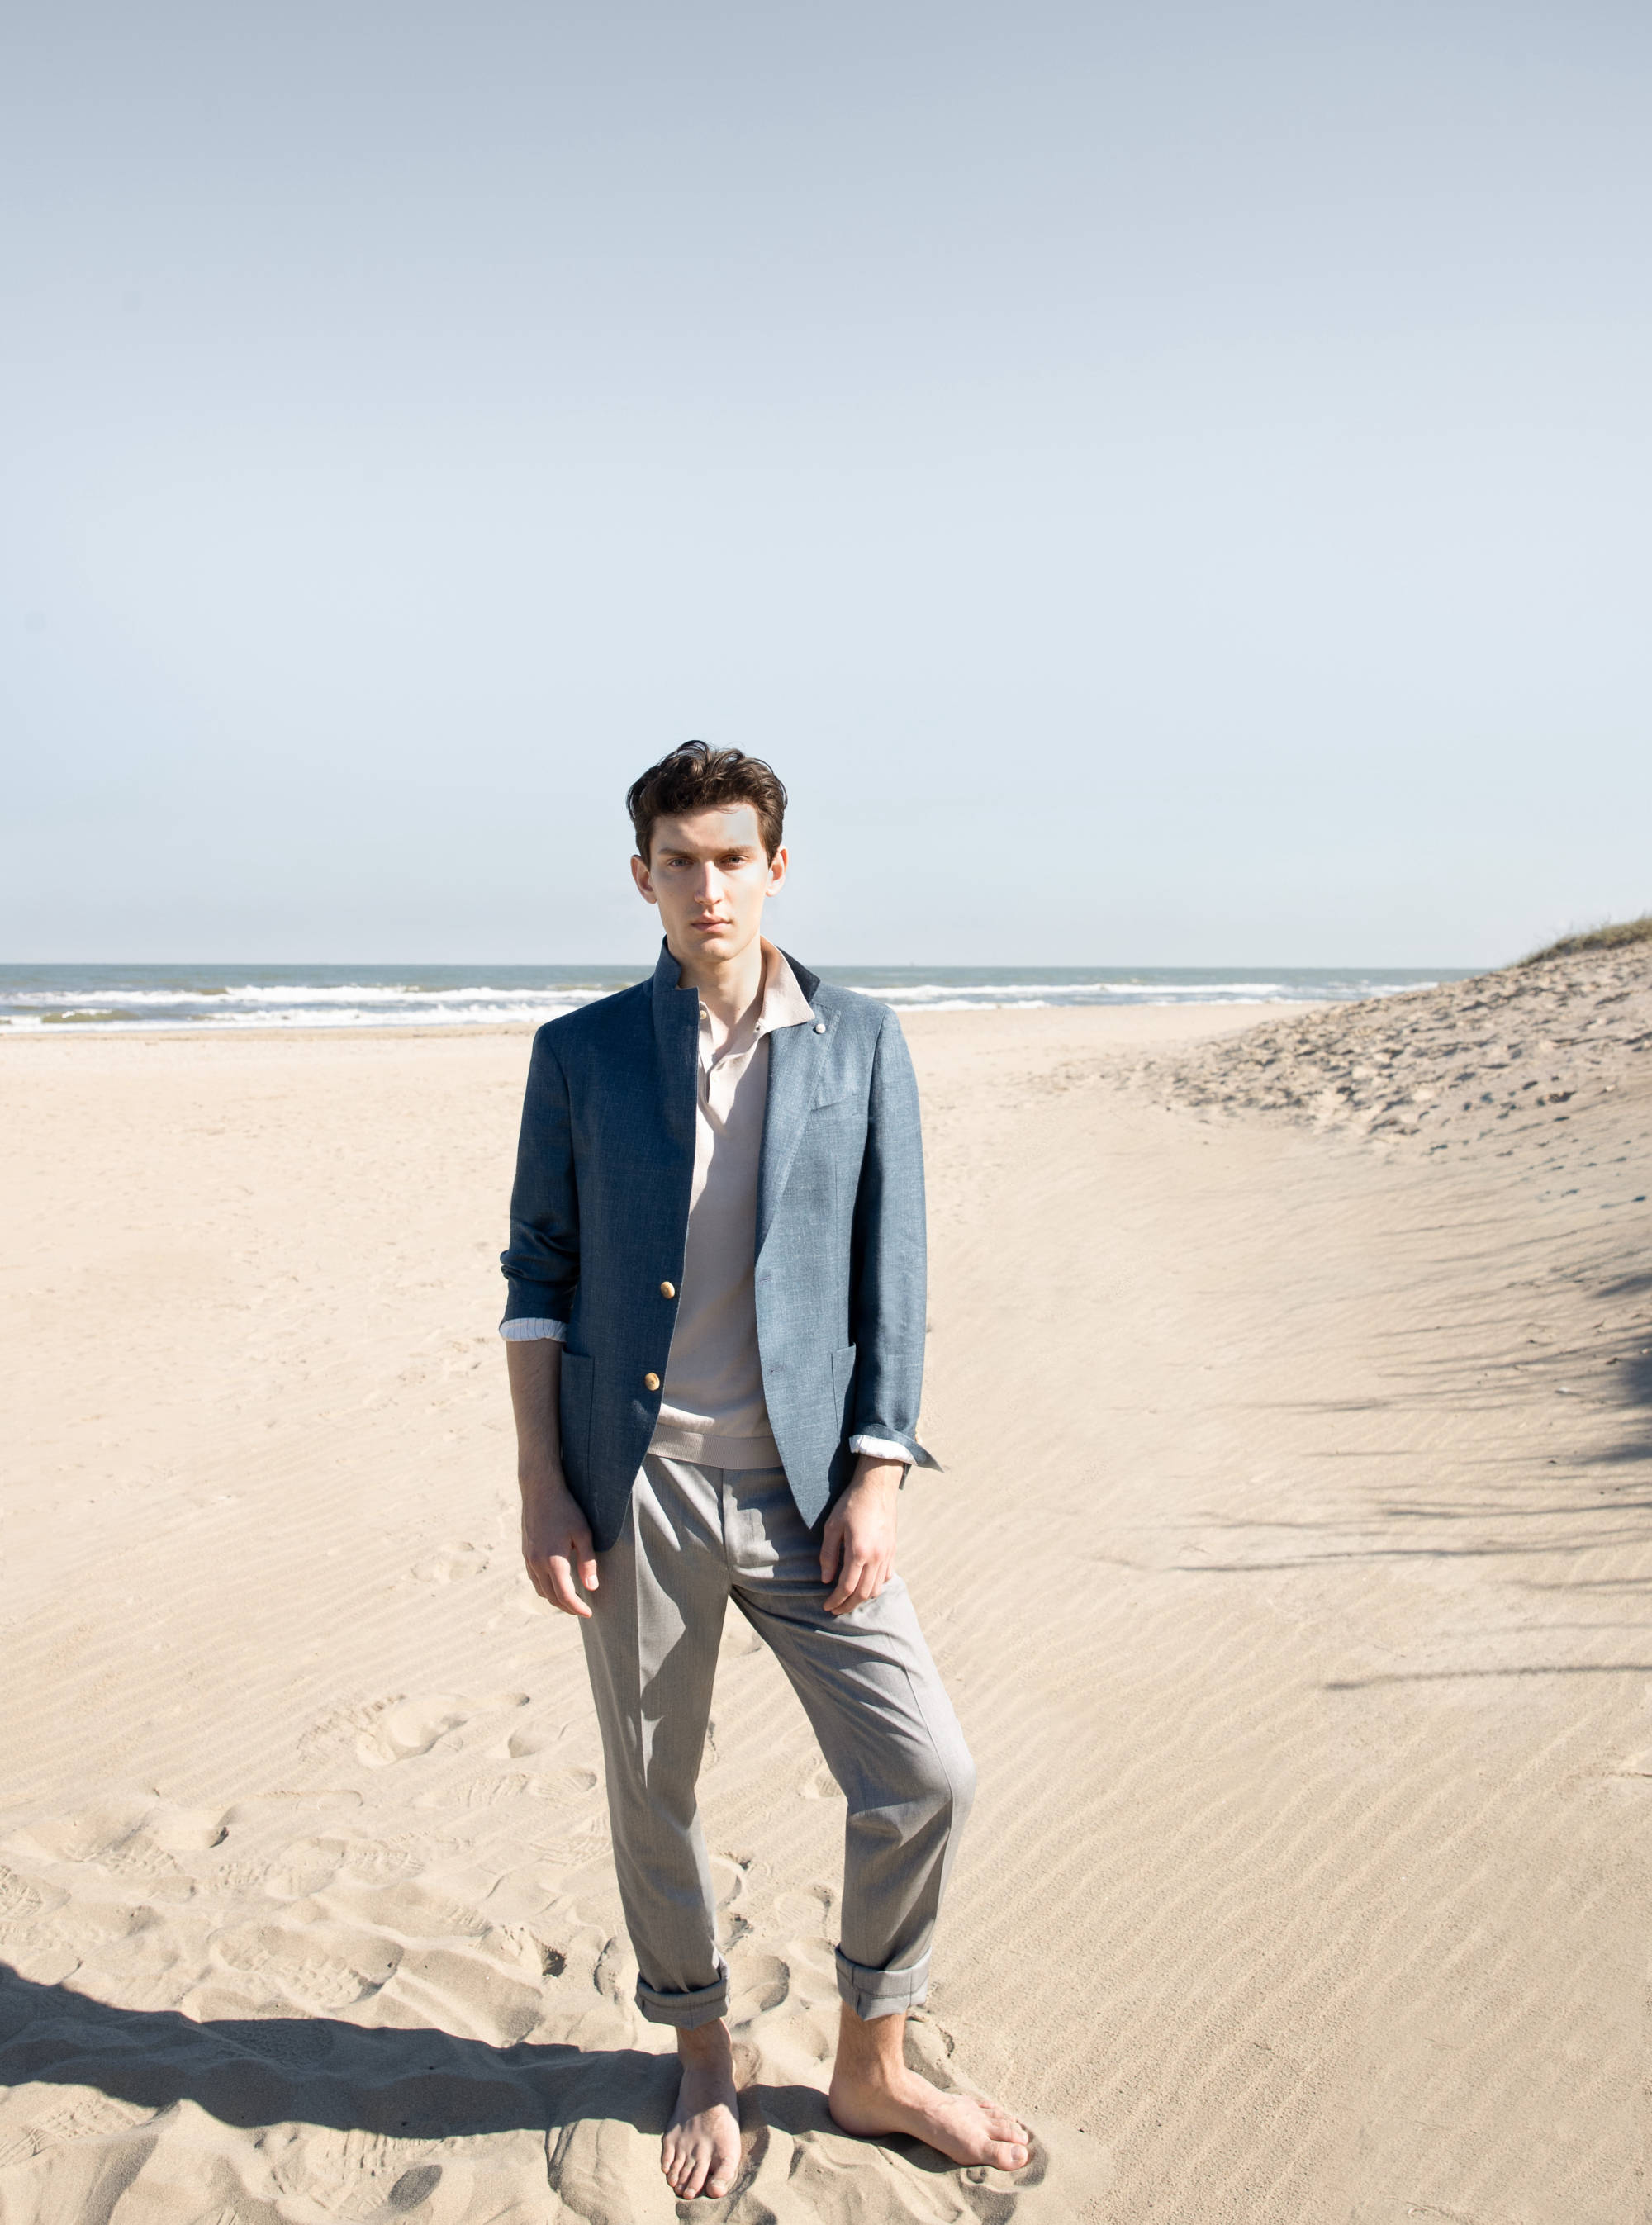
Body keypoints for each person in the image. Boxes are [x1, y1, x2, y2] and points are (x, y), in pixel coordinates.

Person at [501, 742, 1030, 2202]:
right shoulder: (581, 1052)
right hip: (638, 1485)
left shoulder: (861, 1042)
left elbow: (893, 1273)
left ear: (777, 867)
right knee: (653, 1786)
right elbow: (539, 1275)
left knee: (924, 1770)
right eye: (679, 862)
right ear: (643, 877)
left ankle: (873, 2059)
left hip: (807, 1490)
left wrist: (878, 1478)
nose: (709, 888)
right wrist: (543, 1481)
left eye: (733, 858)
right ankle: (702, 2050)